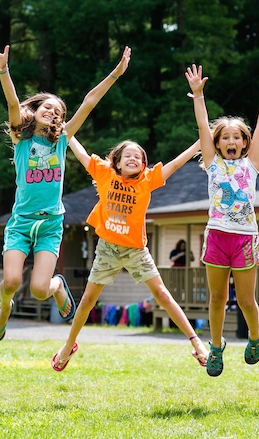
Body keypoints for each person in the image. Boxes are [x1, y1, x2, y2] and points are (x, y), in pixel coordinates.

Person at [0, 42, 131, 341]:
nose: (53, 112)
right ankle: (5, 308)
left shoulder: (62, 140)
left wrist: (115, 74)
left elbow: (89, 101)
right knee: (10, 282)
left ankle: (57, 286)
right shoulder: (21, 139)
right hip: (21, 221)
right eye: (47, 107)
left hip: (50, 223)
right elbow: (12, 103)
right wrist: (3, 70)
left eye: (59, 111)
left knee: (38, 290)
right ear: (34, 111)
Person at [50, 136, 205, 371]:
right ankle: (68, 346)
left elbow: (174, 164)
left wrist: (197, 145)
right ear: (117, 162)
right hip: (107, 249)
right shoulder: (105, 174)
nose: (134, 158)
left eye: (139, 157)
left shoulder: (147, 180)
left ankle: (197, 343)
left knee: (162, 294)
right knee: (88, 300)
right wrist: (68, 134)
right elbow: (81, 155)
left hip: (135, 250)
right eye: (128, 155)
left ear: (143, 165)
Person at [186, 65, 259, 377]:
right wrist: (198, 95)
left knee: (247, 300)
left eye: (237, 136)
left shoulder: (250, 166)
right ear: (218, 143)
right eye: (225, 137)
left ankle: (254, 336)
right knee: (218, 298)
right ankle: (216, 346)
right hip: (218, 237)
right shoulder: (213, 165)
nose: (231, 140)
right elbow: (201, 126)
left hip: (244, 238)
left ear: (244, 143)